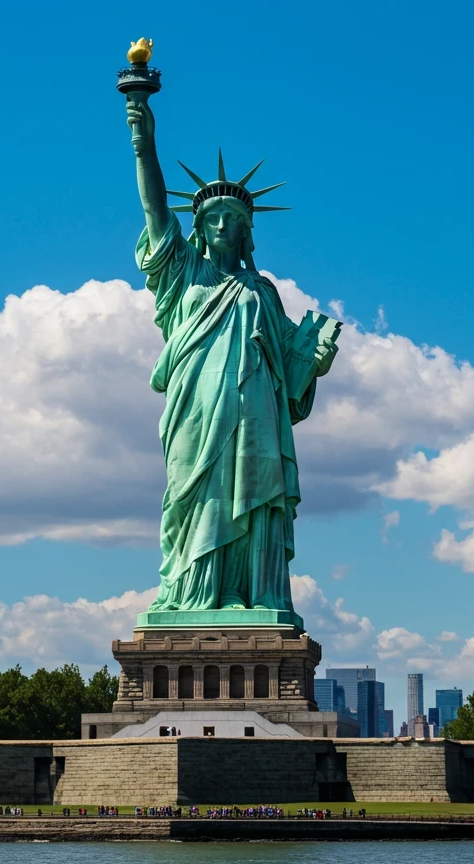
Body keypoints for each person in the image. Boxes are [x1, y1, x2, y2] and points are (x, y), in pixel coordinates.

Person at [125, 96, 338, 613]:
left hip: (257, 416)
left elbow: (289, 375)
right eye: (213, 217)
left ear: (247, 231)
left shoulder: (262, 291)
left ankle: (250, 592)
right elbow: (155, 209)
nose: (223, 225)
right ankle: (190, 592)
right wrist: (143, 141)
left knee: (253, 496)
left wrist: (314, 361)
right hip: (196, 411)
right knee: (192, 496)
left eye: (234, 218)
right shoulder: (182, 276)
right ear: (198, 228)